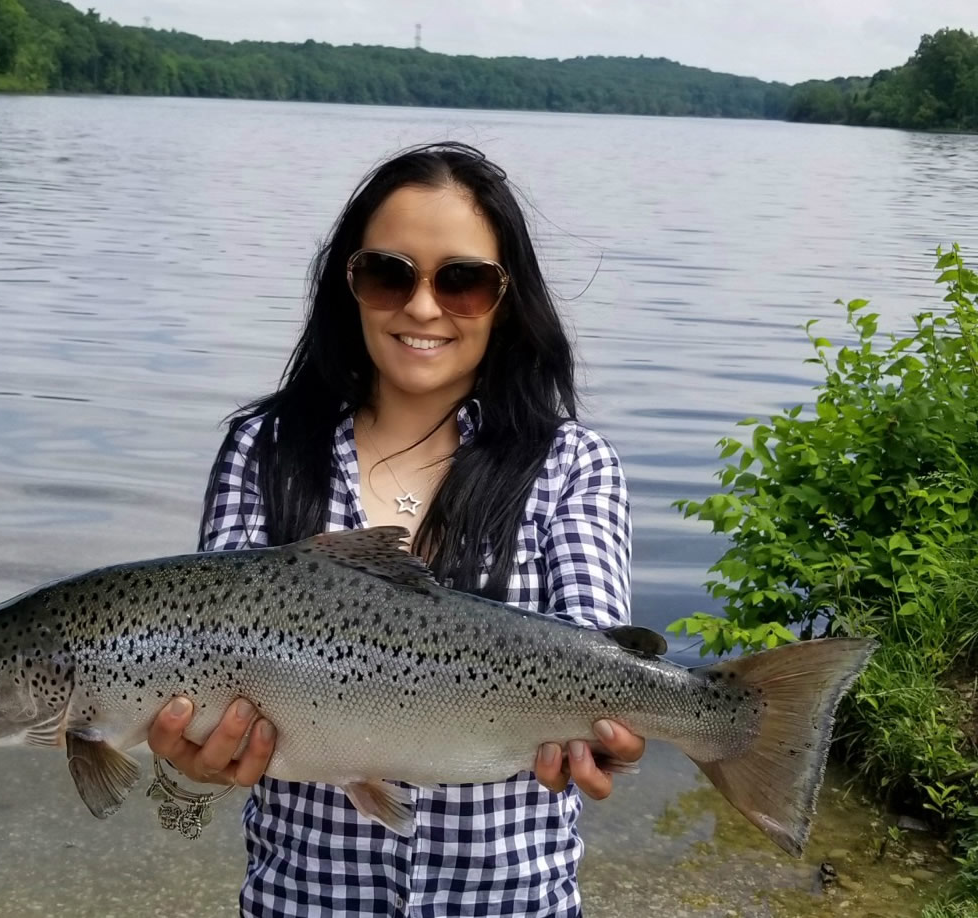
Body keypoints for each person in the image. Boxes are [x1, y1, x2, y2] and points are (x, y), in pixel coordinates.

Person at [147, 141, 643, 917]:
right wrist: (187, 769)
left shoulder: (573, 465)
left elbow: (598, 646)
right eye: (388, 274)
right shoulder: (265, 451)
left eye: (463, 281)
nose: (421, 307)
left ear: (508, 298)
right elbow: (211, 660)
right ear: (347, 284)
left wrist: (602, 738)